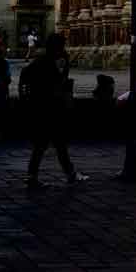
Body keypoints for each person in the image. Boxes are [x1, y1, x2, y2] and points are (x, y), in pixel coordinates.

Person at [20, 33, 86, 187]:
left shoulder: (40, 60)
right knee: (57, 143)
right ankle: (69, 174)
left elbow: (25, 75)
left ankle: (33, 175)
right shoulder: (56, 60)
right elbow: (60, 81)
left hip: (41, 106)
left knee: (44, 144)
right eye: (62, 45)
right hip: (52, 107)